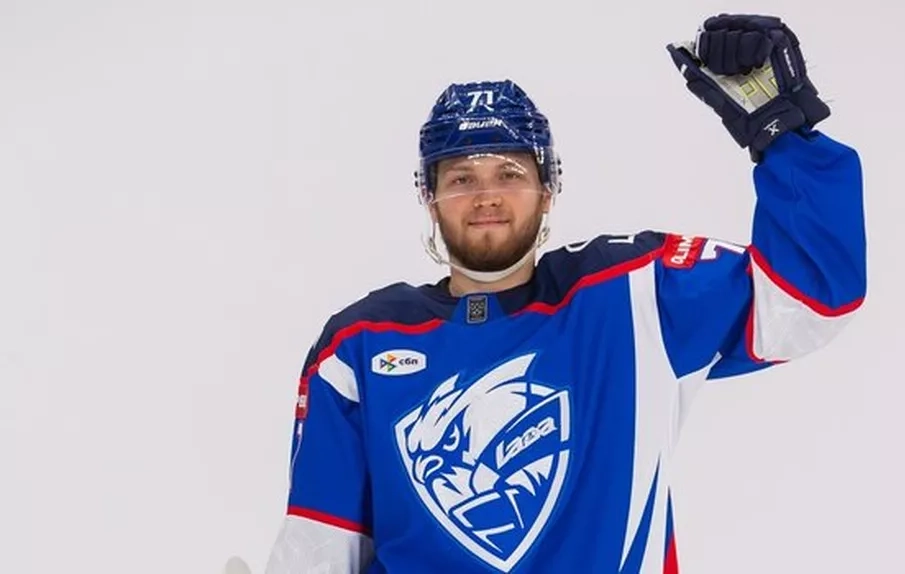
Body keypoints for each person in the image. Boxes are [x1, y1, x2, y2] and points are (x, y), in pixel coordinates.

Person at [264, 13, 866, 574]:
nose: (486, 196)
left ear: (548, 188)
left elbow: (810, 296)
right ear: (429, 196)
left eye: (509, 173)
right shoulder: (360, 345)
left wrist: (784, 136)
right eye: (461, 178)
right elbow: (320, 545)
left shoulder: (632, 293)